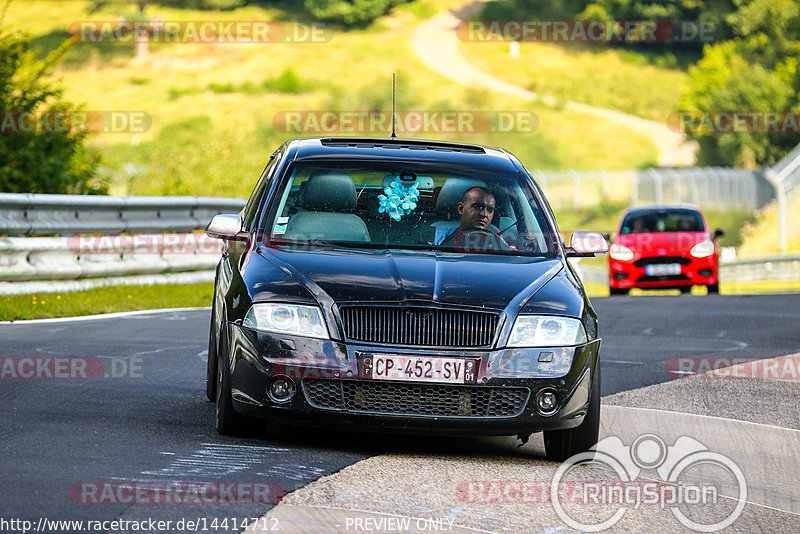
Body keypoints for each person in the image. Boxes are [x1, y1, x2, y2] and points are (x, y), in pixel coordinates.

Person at [437, 187, 513, 250]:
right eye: (477, 207)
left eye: (490, 210)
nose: (484, 214)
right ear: (461, 209)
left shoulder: (499, 244)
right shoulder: (436, 237)